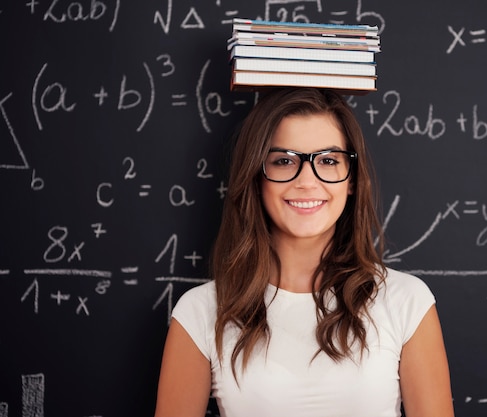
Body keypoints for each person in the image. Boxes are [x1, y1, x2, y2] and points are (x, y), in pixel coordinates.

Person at [154, 87, 454, 417]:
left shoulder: (407, 302)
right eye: (284, 161)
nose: (307, 181)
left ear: (351, 179)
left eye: (328, 161)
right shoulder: (202, 312)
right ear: (256, 176)